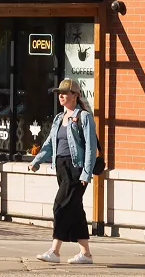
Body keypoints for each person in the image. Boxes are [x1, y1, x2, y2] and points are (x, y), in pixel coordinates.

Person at [30, 77, 97, 264]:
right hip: (61, 169)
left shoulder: (84, 117)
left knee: (60, 206)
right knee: (75, 210)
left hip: (76, 169)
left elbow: (91, 147)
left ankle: (55, 251)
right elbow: (50, 144)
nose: (61, 96)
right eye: (59, 93)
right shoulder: (59, 118)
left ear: (75, 95)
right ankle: (86, 254)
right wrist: (36, 160)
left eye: (65, 93)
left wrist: (86, 173)